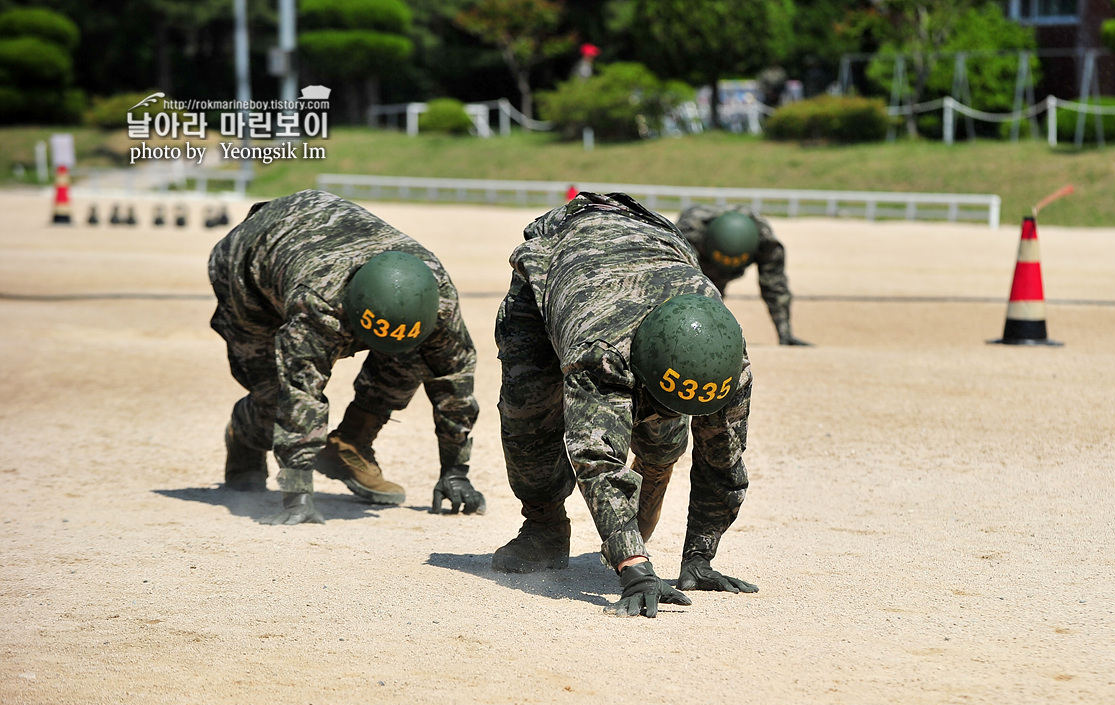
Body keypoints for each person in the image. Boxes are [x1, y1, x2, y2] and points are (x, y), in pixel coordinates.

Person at [494, 191, 759, 618]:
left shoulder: (727, 359)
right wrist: (632, 566)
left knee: (665, 426)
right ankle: (543, 526)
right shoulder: (600, 353)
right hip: (559, 260)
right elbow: (597, 456)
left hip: (658, 242)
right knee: (528, 413)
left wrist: (699, 556)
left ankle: (653, 469)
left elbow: (723, 457)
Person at [208, 189, 484, 524]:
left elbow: (454, 383)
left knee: (419, 356)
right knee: (273, 396)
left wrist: (455, 471)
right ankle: (244, 436)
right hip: (247, 261)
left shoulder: (436, 299)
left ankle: (350, 444)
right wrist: (297, 493)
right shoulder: (319, 305)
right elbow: (300, 394)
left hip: (328, 239)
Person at [675, 204, 811, 346]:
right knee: (699, 296)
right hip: (700, 260)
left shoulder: (764, 241)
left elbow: (775, 286)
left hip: (720, 252)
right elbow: (678, 284)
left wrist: (785, 333)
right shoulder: (689, 235)